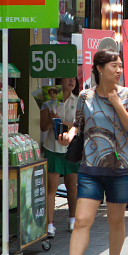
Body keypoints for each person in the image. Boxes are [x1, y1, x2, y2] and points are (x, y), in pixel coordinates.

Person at [55, 49, 128, 255]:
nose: (118, 70)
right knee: (82, 220)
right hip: (91, 167)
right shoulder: (85, 96)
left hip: (120, 168)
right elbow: (78, 127)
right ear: (99, 68)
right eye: (113, 65)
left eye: (120, 66)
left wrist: (117, 104)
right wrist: (67, 137)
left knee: (116, 222)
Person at [40, 78, 80, 238]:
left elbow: (78, 125)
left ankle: (73, 220)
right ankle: (49, 224)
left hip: (71, 148)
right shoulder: (48, 101)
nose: (72, 81)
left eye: (74, 79)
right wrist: (50, 121)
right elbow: (42, 127)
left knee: (72, 185)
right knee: (51, 187)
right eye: (68, 78)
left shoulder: (77, 101)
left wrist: (61, 121)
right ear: (59, 81)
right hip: (52, 147)